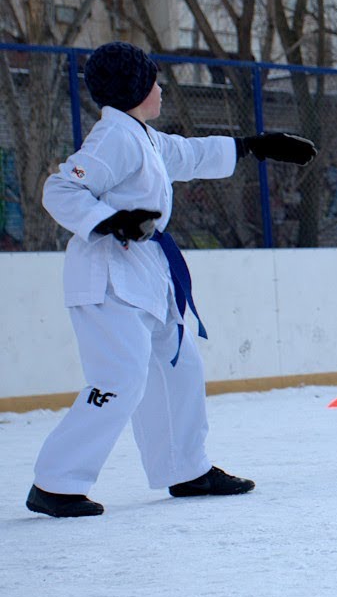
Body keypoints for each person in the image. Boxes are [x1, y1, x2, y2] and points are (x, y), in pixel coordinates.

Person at [29, 41, 317, 518]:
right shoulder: (112, 140)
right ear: (137, 88)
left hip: (144, 272)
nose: (161, 89)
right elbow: (60, 188)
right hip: (106, 277)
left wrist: (253, 146)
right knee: (119, 378)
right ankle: (55, 482)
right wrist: (109, 221)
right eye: (155, 81)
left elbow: (187, 154)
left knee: (179, 367)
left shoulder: (142, 136)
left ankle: (186, 468)